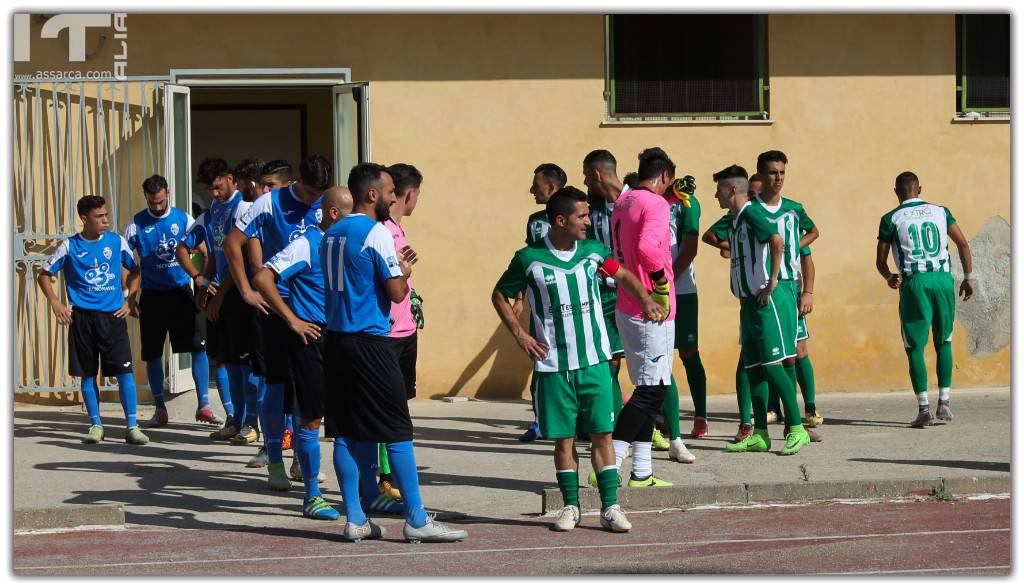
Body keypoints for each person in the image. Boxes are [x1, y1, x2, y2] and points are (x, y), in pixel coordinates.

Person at [494, 186, 665, 532]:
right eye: (582, 216)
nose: (588, 222)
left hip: (594, 362)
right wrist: (520, 335)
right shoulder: (528, 259)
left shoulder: (594, 252)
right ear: (561, 220)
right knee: (564, 440)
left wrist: (646, 300)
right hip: (553, 366)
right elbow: (500, 294)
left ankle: (610, 507)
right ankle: (571, 506)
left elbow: (625, 275)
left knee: (603, 435)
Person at [321, 162, 467, 543]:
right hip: (370, 342)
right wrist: (401, 270)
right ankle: (417, 518)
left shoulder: (331, 232)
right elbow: (397, 292)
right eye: (388, 191)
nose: (392, 198)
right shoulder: (376, 233)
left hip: (334, 341)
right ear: (372, 194)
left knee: (345, 435)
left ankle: (354, 517)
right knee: (399, 431)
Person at [224, 155, 328, 491]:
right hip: (275, 306)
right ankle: (273, 460)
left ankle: (302, 456)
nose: (315, 201)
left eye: (319, 194)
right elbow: (232, 244)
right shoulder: (269, 202)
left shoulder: (328, 204)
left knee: (307, 391)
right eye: (311, 193)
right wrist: (246, 289)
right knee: (276, 384)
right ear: (298, 180)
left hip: (312, 311)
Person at [253, 186, 352, 520]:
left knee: (345, 422)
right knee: (309, 418)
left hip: (343, 338)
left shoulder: (347, 242)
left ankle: (357, 494)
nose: (353, 221)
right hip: (310, 337)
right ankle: (311, 495)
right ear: (334, 213)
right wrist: (293, 320)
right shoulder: (306, 243)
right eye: (348, 213)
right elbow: (264, 277)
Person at [710, 164, 812, 456]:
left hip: (768, 300)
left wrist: (773, 281)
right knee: (753, 367)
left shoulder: (753, 213)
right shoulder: (736, 219)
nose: (715, 196)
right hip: (748, 302)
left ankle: (796, 428)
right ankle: (761, 434)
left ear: (731, 190)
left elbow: (776, 241)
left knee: (774, 364)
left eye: (718, 190)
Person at [37, 195, 148, 445]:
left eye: (106, 214)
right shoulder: (69, 246)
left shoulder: (116, 241)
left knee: (124, 372)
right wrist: (56, 303)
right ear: (84, 218)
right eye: (99, 216)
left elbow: (135, 270)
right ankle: (96, 424)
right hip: (83, 319)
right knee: (87, 374)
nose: (105, 220)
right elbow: (44, 274)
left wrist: (129, 299)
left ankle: (132, 425)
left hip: (112, 318)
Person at [124, 174, 223, 428]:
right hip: (153, 297)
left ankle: (204, 406)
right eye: (151, 203)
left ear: (167, 192)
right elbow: (127, 263)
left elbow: (204, 250)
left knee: (198, 347)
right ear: (145, 197)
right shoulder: (136, 224)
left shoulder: (183, 218)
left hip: (181, 294)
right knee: (153, 354)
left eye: (160, 201)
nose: (157, 207)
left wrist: (202, 282)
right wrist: (130, 297)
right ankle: (160, 408)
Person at [876, 171, 974, 427]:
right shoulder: (941, 211)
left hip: (915, 282)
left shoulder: (891, 218)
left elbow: (881, 260)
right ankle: (945, 403)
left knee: (914, 346)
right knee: (944, 341)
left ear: (896, 192)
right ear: (919, 189)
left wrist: (889, 276)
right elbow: (963, 243)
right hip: (942, 279)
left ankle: (924, 409)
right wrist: (969, 276)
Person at [605, 147, 679, 486]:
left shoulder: (624, 201)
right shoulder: (655, 203)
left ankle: (643, 471)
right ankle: (612, 461)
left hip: (627, 304)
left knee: (648, 387)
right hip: (651, 308)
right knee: (652, 391)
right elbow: (650, 249)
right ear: (664, 176)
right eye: (669, 182)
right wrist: (660, 284)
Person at [178, 158, 258, 448]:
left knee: (248, 366)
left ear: (230, 178)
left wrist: (220, 294)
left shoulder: (244, 209)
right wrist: (203, 283)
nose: (213, 193)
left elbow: (242, 261)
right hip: (223, 294)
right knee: (230, 363)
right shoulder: (214, 210)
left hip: (241, 294)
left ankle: (253, 423)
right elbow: (216, 254)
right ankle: (235, 419)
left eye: (217, 186)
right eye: (209, 189)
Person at [377, 163, 426, 502]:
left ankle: (390, 472)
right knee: (387, 408)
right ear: (409, 194)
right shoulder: (379, 230)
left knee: (399, 404)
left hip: (405, 329)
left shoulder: (396, 228)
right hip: (387, 334)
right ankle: (384, 476)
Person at [519, 162, 569, 442]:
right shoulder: (535, 221)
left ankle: (583, 420)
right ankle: (540, 419)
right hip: (543, 305)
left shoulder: (577, 214)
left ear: (551, 187)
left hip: (574, 303)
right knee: (541, 359)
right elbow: (527, 261)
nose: (531, 190)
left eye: (535, 185)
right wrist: (519, 295)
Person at [581, 150, 628, 432]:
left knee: (649, 365)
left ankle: (667, 433)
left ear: (597, 174)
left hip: (632, 293)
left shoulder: (635, 202)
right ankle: (610, 426)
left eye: (587, 175)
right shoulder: (590, 209)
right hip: (601, 294)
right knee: (608, 362)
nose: (585, 182)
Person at [665, 174, 709, 452]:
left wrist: (668, 282)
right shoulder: (646, 201)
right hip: (653, 293)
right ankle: (665, 420)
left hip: (681, 290)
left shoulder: (686, 203)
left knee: (688, 352)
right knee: (660, 356)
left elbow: (690, 248)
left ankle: (701, 414)